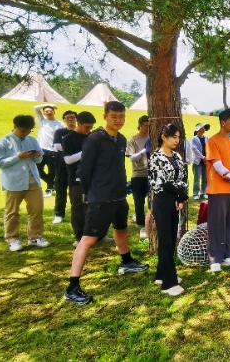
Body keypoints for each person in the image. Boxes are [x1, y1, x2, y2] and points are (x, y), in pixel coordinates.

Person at [64, 101, 149, 306]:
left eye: (121, 116)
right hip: (100, 198)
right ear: (105, 117)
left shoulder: (121, 140)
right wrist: (91, 193)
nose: (118, 120)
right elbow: (83, 171)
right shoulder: (94, 139)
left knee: (121, 229)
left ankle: (126, 261)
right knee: (89, 238)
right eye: (114, 116)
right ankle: (72, 287)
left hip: (119, 195)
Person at [0, 115, 49, 252]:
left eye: (29, 130)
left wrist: (37, 156)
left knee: (36, 210)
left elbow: (39, 160)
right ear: (15, 126)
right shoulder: (3, 142)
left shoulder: (32, 140)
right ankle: (12, 239)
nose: (26, 133)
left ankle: (35, 237)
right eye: (23, 130)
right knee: (12, 211)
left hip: (33, 180)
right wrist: (18, 157)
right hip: (14, 181)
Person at [148, 123, 189, 296]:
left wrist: (180, 197)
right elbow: (162, 182)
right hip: (162, 200)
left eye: (178, 137)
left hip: (174, 199)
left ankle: (161, 274)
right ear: (163, 137)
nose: (176, 140)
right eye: (173, 137)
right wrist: (181, 194)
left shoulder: (177, 156)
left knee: (171, 239)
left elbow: (182, 177)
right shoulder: (155, 157)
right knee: (165, 240)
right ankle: (168, 283)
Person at [205, 108, 230, 272]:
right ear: (223, 122)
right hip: (218, 189)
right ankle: (215, 258)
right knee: (217, 223)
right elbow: (219, 167)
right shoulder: (212, 142)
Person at [61, 111, 96, 246]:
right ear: (79, 123)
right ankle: (79, 237)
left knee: (95, 208)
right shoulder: (68, 139)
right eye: (87, 127)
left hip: (93, 178)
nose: (89, 130)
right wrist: (85, 152)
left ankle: (97, 234)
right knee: (78, 209)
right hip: (76, 180)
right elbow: (68, 160)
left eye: (91, 127)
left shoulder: (91, 137)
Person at [33, 104, 65, 197]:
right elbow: (36, 108)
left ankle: (49, 189)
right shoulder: (42, 120)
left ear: (54, 112)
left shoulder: (60, 124)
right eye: (46, 111)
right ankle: (52, 183)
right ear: (44, 113)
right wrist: (49, 105)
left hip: (53, 150)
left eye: (50, 111)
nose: (49, 112)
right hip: (41, 149)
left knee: (52, 171)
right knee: (37, 169)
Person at [126, 115, 151, 237]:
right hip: (138, 174)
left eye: (149, 126)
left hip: (152, 174)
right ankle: (141, 225)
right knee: (139, 202)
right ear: (140, 125)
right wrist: (144, 150)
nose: (147, 129)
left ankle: (151, 223)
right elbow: (132, 158)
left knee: (152, 201)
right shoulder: (132, 140)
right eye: (145, 126)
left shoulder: (152, 138)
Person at [52, 110, 77, 224]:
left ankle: (76, 212)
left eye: (73, 117)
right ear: (64, 120)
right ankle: (59, 214)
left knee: (76, 190)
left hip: (76, 166)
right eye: (67, 118)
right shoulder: (60, 132)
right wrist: (74, 148)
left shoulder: (80, 133)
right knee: (60, 189)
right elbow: (57, 146)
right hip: (61, 165)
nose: (70, 120)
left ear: (76, 119)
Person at [191, 123, 210, 200]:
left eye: (204, 128)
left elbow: (209, 148)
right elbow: (194, 149)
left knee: (205, 178)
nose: (203, 130)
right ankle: (195, 193)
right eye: (201, 128)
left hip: (206, 161)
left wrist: (207, 158)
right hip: (198, 161)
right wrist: (203, 157)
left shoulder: (207, 138)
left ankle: (203, 193)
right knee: (197, 178)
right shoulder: (194, 139)